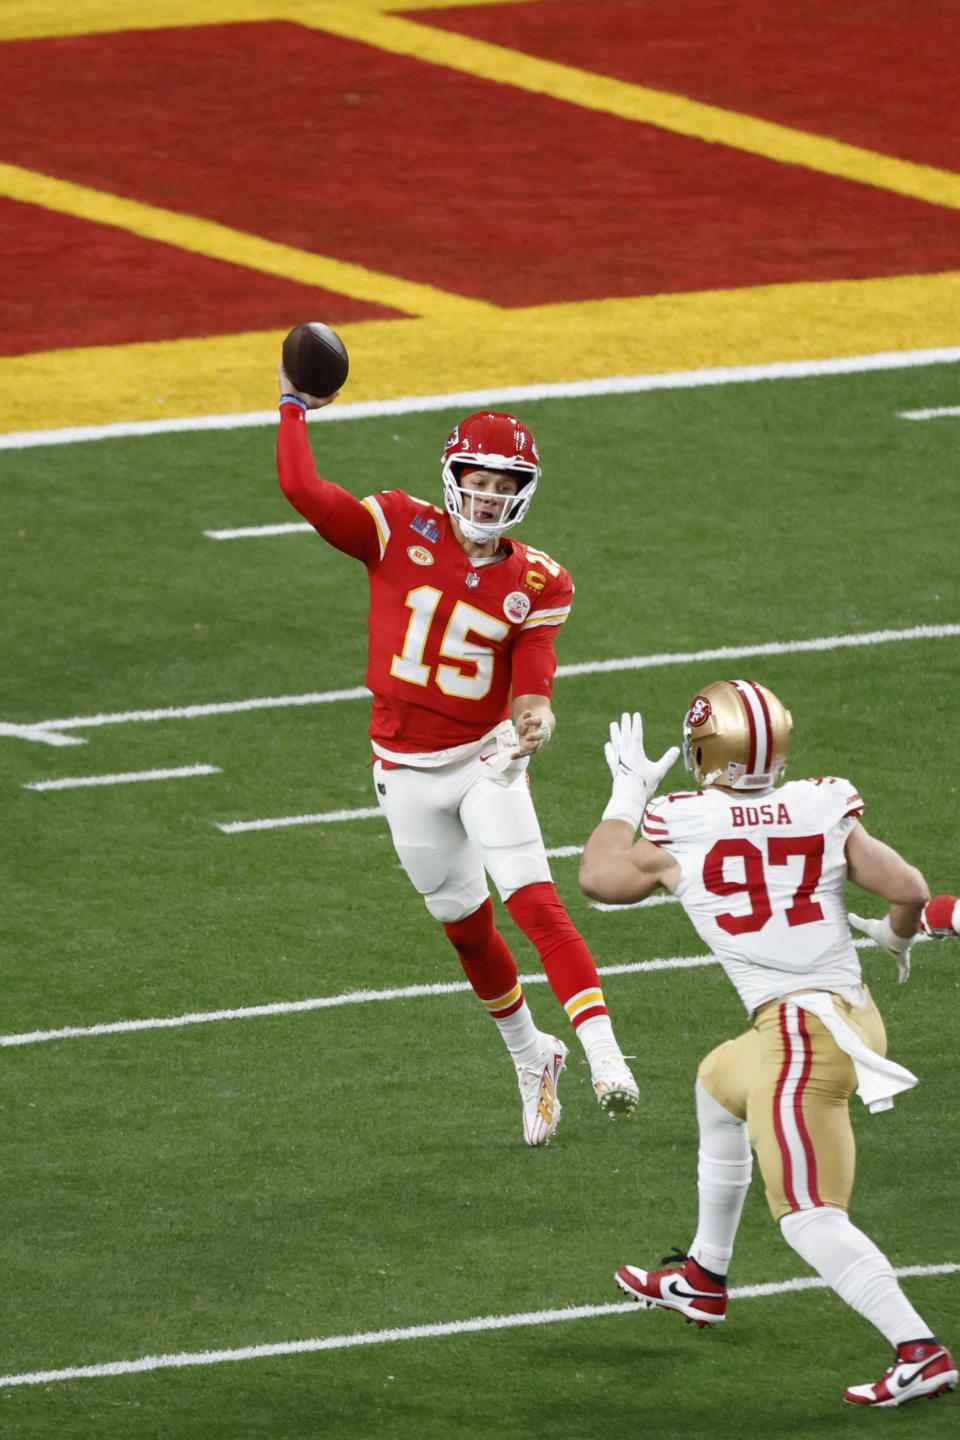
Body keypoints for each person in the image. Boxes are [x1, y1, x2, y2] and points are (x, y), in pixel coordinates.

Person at [274, 363, 639, 1145]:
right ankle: (531, 1057)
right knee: (467, 933)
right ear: (451, 477)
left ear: (523, 492)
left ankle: (606, 1057)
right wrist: (292, 406)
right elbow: (305, 492)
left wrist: (534, 720)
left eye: (504, 484)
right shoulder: (396, 526)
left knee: (534, 903)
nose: (487, 496)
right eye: (476, 479)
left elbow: (534, 681)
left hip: (485, 758)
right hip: (403, 768)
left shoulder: (539, 578)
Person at [578, 679, 956, 1409]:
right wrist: (896, 938)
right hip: (847, 1015)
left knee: (812, 1214)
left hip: (800, 1038)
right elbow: (908, 886)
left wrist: (627, 792)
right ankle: (703, 1278)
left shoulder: (681, 821)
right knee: (718, 1082)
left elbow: (598, 878)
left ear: (703, 751)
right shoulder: (821, 803)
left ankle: (921, 1349)